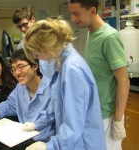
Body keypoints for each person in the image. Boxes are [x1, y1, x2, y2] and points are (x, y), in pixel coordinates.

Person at [22, 17, 106, 150]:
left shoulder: (72, 70)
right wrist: (37, 124)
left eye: (36, 53)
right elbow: (57, 106)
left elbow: (74, 125)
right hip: (72, 142)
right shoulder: (59, 64)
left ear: (47, 46)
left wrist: (50, 146)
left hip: (83, 143)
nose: (35, 57)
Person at [68, 1, 130, 149]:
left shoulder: (109, 37)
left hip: (107, 116)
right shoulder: (91, 33)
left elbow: (124, 80)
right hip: (95, 111)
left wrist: (118, 120)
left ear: (93, 11)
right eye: (71, 14)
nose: (73, 19)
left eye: (76, 14)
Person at [0, 49, 55, 145]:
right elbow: (10, 104)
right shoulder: (20, 87)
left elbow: (58, 122)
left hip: (45, 141)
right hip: (23, 137)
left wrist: (48, 146)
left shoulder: (52, 89)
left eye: (21, 67)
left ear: (35, 65)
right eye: (14, 69)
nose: (17, 73)